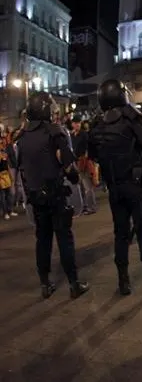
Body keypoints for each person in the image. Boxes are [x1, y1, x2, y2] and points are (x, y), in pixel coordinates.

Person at [89, 80, 142, 296]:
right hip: (136, 185)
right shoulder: (130, 118)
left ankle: (123, 282)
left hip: (114, 188)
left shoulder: (97, 124)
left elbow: (93, 155)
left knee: (120, 233)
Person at [16, 93, 89, 299]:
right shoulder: (55, 133)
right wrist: (74, 178)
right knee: (64, 239)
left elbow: (22, 168)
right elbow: (69, 166)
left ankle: (45, 284)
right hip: (55, 194)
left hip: (35, 196)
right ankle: (74, 283)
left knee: (43, 240)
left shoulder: (22, 137)